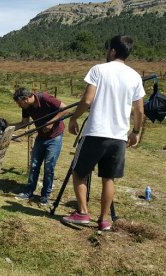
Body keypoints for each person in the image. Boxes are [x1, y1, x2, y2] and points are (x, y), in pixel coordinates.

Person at [62, 35, 145, 231]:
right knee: (109, 178)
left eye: (109, 49)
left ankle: (82, 213)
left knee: (79, 171)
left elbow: (87, 100)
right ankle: (104, 220)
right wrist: (135, 132)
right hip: (118, 136)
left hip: (95, 132)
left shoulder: (99, 69)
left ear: (113, 51)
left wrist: (74, 118)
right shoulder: (135, 76)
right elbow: (140, 110)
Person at [11, 87, 69, 205]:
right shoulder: (26, 107)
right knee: (34, 165)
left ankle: (45, 195)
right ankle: (28, 192)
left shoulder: (45, 98)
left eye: (19, 103)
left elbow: (65, 109)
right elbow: (24, 123)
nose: (19, 106)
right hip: (41, 137)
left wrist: (51, 122)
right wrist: (9, 127)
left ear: (26, 99)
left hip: (55, 137)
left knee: (49, 166)